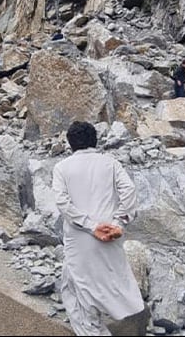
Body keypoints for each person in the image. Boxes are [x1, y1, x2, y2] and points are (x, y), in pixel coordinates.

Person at [52, 121, 145, 336]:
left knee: (82, 289)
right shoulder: (110, 163)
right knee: (104, 281)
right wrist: (119, 223)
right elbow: (129, 192)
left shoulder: (62, 168)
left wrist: (91, 226)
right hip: (111, 232)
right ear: (95, 140)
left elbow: (63, 202)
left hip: (81, 236)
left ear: (70, 144)